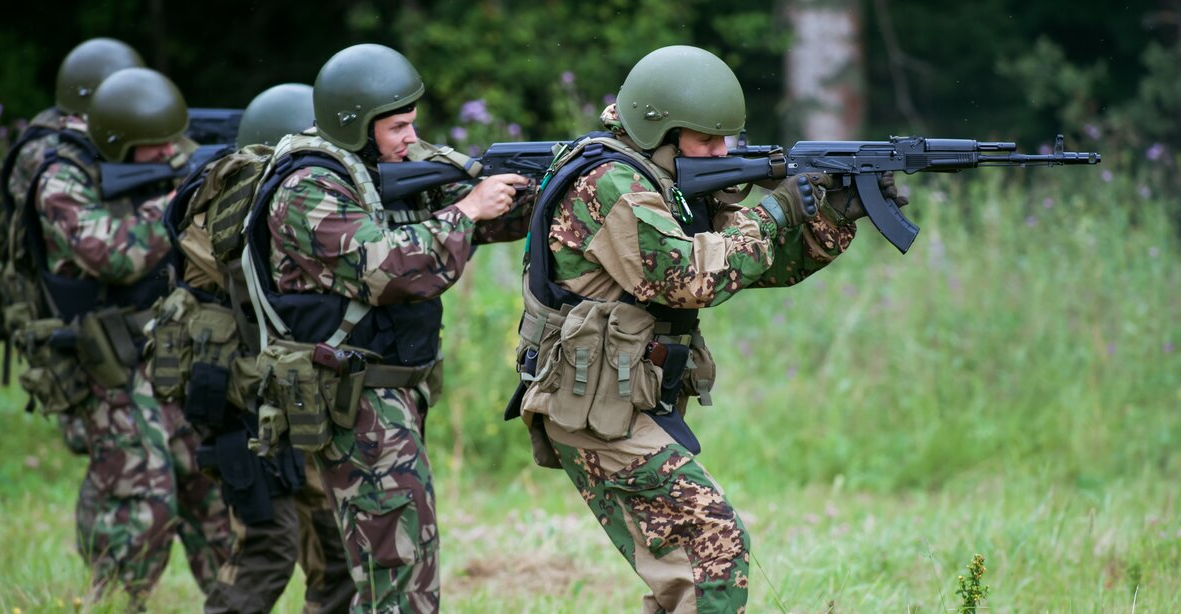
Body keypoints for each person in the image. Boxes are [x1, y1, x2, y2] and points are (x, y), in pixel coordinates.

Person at [509, 45, 906, 613]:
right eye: (707, 141)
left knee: (693, 575)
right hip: (593, 405)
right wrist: (776, 210)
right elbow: (693, 279)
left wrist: (835, 215)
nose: (722, 154)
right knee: (710, 560)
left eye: (728, 141)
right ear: (661, 129)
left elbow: (761, 266)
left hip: (621, 398)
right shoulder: (611, 183)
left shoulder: (664, 181)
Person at [239, 43, 531, 612]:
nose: (409, 138)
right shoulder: (305, 189)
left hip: (390, 392)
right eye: (397, 126)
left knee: (400, 563)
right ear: (356, 125)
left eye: (411, 124)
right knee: (399, 572)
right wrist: (468, 209)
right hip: (353, 397)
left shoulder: (388, 164)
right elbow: (387, 270)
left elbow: (486, 216)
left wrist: (547, 191)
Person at [27, 66, 231, 605]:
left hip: (170, 350)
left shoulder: (164, 156)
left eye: (172, 143)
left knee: (213, 488)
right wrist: (176, 200)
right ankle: (114, 601)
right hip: (105, 361)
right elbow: (113, 254)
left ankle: (236, 600)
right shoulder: (61, 176)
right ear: (118, 143)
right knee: (141, 504)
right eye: (154, 147)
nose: (168, 154)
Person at [151, 82, 355, 613]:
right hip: (237, 402)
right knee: (268, 545)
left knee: (336, 551)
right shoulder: (228, 201)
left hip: (286, 398)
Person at [0, 37, 145, 455]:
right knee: (127, 477)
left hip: (118, 324)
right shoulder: (49, 153)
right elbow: (105, 251)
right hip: (78, 324)